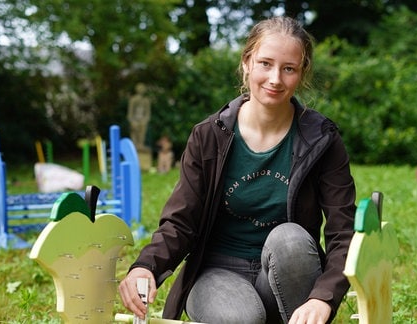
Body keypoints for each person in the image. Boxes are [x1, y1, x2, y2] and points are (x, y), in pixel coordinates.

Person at [119, 16, 356, 324]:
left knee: (290, 238)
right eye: (265, 64)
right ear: (247, 63)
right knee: (242, 319)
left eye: (289, 68)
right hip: (217, 273)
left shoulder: (322, 138)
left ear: (301, 73)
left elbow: (344, 232)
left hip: (286, 270)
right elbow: (181, 221)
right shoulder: (209, 135)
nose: (275, 79)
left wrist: (322, 296)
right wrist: (145, 266)